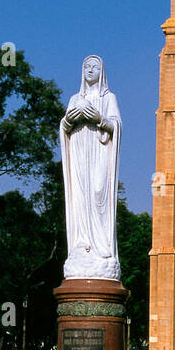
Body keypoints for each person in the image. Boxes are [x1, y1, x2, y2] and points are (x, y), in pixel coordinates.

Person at [60, 55, 122, 281]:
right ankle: (82, 243)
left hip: (99, 153)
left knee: (98, 194)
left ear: (102, 72)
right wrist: (68, 120)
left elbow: (116, 126)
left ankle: (101, 247)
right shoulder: (75, 98)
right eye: (86, 66)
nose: (90, 70)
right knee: (81, 198)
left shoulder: (109, 98)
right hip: (79, 153)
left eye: (95, 67)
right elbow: (64, 127)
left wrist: (99, 118)